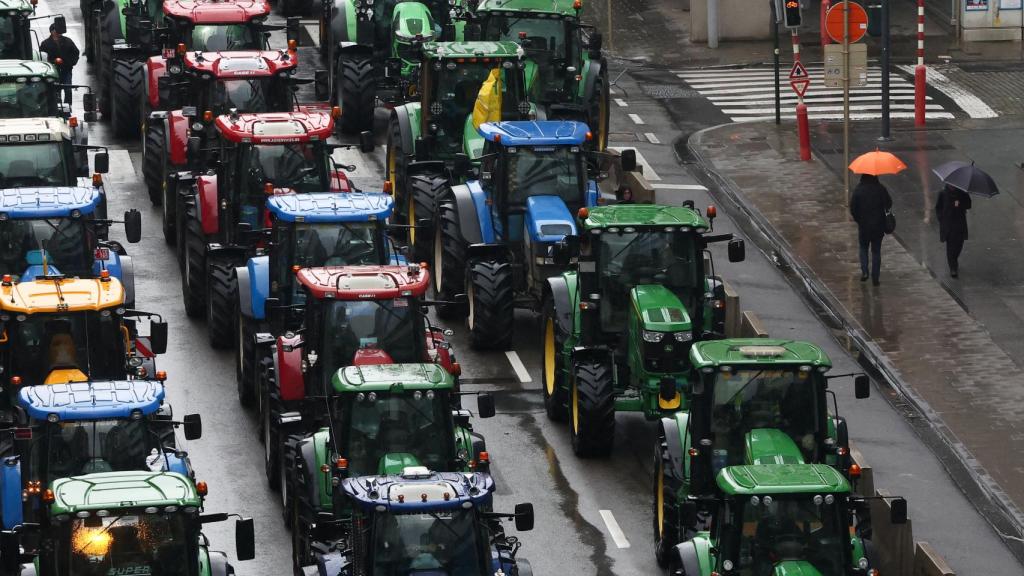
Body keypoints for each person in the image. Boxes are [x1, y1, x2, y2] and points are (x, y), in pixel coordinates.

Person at [849, 174, 893, 286]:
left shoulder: (859, 190)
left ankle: (864, 271)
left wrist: (859, 220)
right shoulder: (881, 189)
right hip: (878, 226)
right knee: (876, 251)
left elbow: (853, 208)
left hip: (864, 226)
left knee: (863, 248)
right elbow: (889, 203)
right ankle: (875, 277)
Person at [935, 184, 971, 278]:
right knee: (950, 247)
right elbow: (938, 207)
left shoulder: (962, 193)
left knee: (959, 245)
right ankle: (953, 268)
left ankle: (954, 260)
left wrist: (960, 203)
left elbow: (968, 205)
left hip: (959, 224)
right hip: (948, 225)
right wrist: (941, 219)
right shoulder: (943, 193)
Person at [39, 24, 79, 106]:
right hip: (53, 71)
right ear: (52, 31)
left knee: (68, 89)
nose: (58, 33)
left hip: (66, 70)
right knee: (56, 90)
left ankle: (68, 107)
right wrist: (53, 62)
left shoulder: (68, 41)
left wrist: (70, 63)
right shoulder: (45, 44)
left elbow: (75, 52)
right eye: (56, 30)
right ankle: (57, 108)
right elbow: (42, 57)